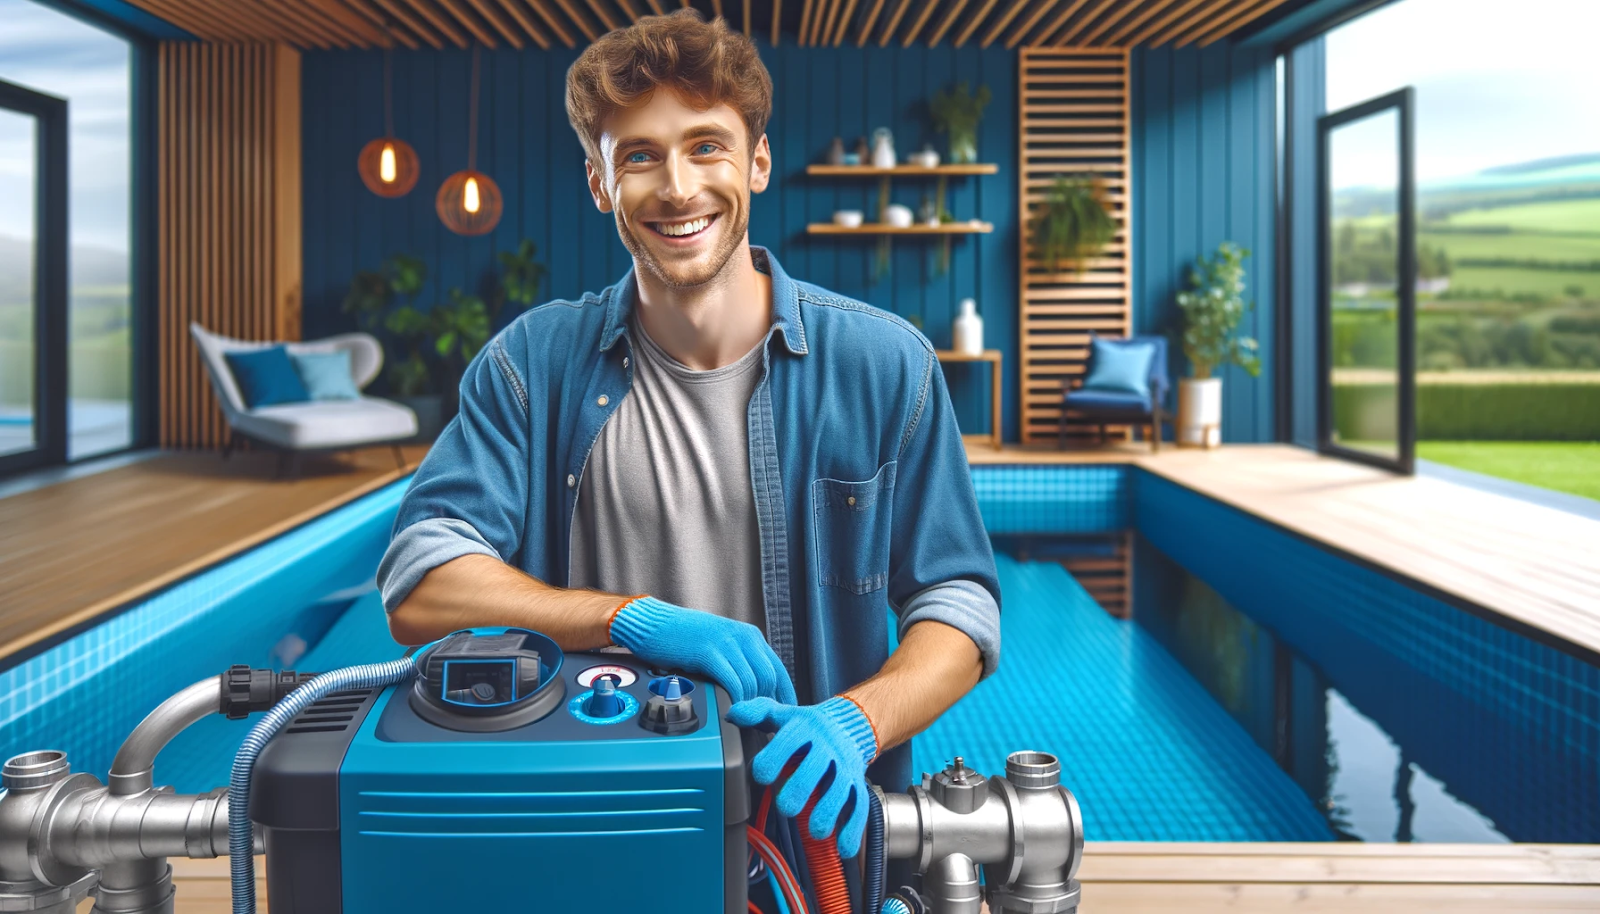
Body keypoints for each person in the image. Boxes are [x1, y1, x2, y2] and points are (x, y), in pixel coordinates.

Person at [376, 9, 999, 859]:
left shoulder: (887, 364)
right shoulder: (532, 364)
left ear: (759, 162)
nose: (676, 186)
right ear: (600, 185)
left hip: (810, 836)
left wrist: (857, 723)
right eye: (638, 155)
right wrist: (624, 619)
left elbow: (957, 604)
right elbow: (419, 582)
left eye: (707, 145)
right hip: (593, 830)